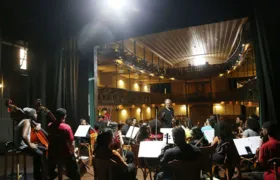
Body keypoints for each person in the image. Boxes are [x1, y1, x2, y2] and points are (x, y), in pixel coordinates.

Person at [48, 108, 80, 180]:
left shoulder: (49, 125)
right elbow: (71, 142)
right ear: (64, 116)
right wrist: (73, 152)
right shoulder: (67, 127)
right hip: (65, 154)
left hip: (52, 154)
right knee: (75, 169)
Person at [14, 107, 45, 180]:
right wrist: (30, 145)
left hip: (23, 145)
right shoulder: (26, 121)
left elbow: (36, 127)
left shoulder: (26, 121)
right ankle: (38, 176)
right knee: (39, 154)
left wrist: (38, 124)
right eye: (35, 113)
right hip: (22, 146)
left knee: (44, 149)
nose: (37, 115)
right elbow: (24, 136)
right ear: (31, 115)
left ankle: (39, 175)